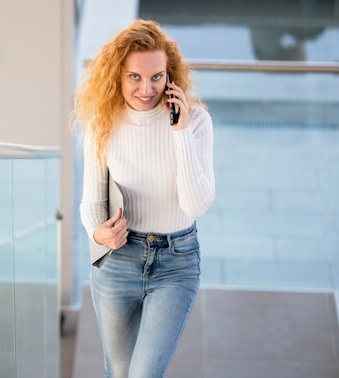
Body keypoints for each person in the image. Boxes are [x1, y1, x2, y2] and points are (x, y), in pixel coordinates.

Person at [71, 19, 215, 377]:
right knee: (119, 372)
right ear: (117, 75)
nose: (146, 88)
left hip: (176, 261)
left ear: (170, 76)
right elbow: (90, 202)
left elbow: (196, 206)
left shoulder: (196, 124)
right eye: (135, 76)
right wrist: (97, 233)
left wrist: (179, 129)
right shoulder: (102, 124)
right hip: (119, 259)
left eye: (156, 76)